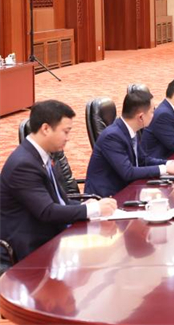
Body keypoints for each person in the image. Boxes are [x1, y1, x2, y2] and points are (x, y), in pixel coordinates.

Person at [0, 101, 117, 265]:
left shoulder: (44, 155)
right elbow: (47, 211)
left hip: (53, 234)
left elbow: (58, 200)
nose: (68, 138)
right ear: (46, 128)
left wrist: (83, 204)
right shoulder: (23, 165)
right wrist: (92, 209)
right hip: (30, 248)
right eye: (65, 131)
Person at [85, 89, 174, 197]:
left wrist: (170, 164)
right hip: (106, 199)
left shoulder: (130, 130)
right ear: (141, 117)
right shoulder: (112, 136)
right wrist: (166, 169)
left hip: (127, 191)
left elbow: (143, 160)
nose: (154, 115)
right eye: (152, 112)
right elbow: (128, 172)